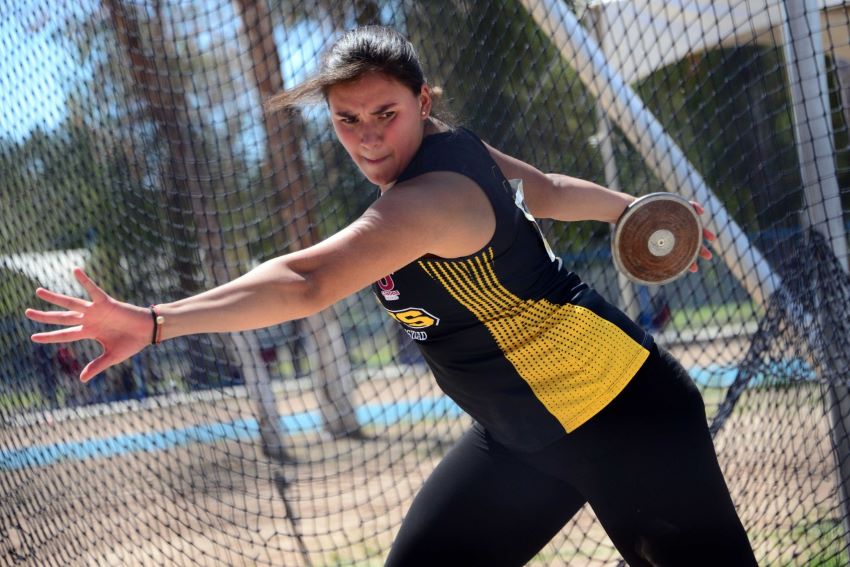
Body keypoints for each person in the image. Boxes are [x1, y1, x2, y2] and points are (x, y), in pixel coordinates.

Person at [26, 25, 757, 567]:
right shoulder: (445, 151)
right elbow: (543, 189)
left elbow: (307, 280)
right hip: (523, 435)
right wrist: (638, 209)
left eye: (386, 114)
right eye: (348, 120)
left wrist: (156, 322)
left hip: (622, 415)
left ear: (422, 101)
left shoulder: (429, 195)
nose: (369, 137)